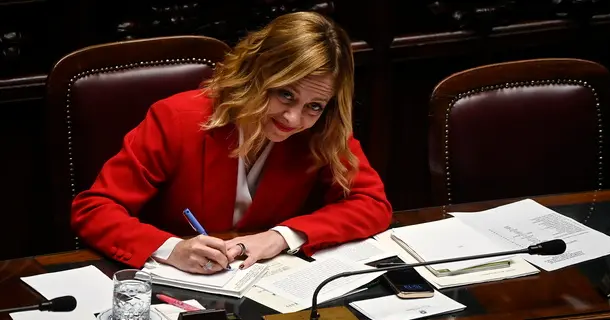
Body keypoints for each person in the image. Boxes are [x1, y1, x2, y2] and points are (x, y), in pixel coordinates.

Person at [70, 11, 392, 275]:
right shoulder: (176, 118)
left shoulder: (322, 129)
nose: (294, 119)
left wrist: (281, 236)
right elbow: (94, 209)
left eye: (314, 105)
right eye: (285, 94)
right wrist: (170, 248)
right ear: (256, 74)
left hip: (266, 285)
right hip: (173, 286)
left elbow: (371, 204)